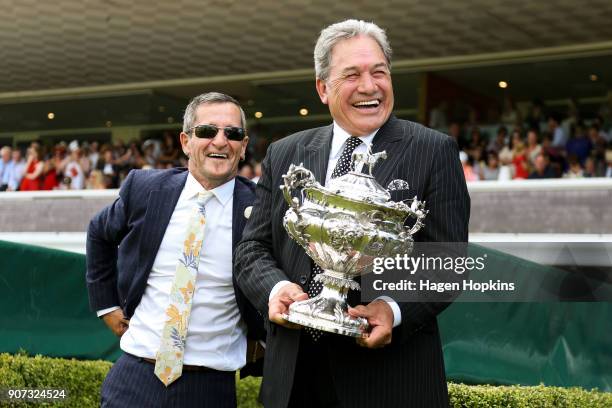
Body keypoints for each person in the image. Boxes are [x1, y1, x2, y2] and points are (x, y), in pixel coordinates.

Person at [235, 19, 470, 408]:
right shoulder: (285, 153)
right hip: (293, 379)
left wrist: (392, 311)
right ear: (323, 88)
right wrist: (275, 291)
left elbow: (447, 261)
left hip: (389, 379)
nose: (369, 86)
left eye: (380, 72)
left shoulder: (434, 150)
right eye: (353, 75)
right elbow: (252, 248)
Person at [86, 92, 264, 408]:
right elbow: (99, 233)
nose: (220, 142)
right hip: (134, 378)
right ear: (185, 141)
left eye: (232, 133)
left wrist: (263, 339)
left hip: (211, 388)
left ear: (243, 146)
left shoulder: (262, 209)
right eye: (207, 131)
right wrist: (107, 306)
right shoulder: (144, 189)